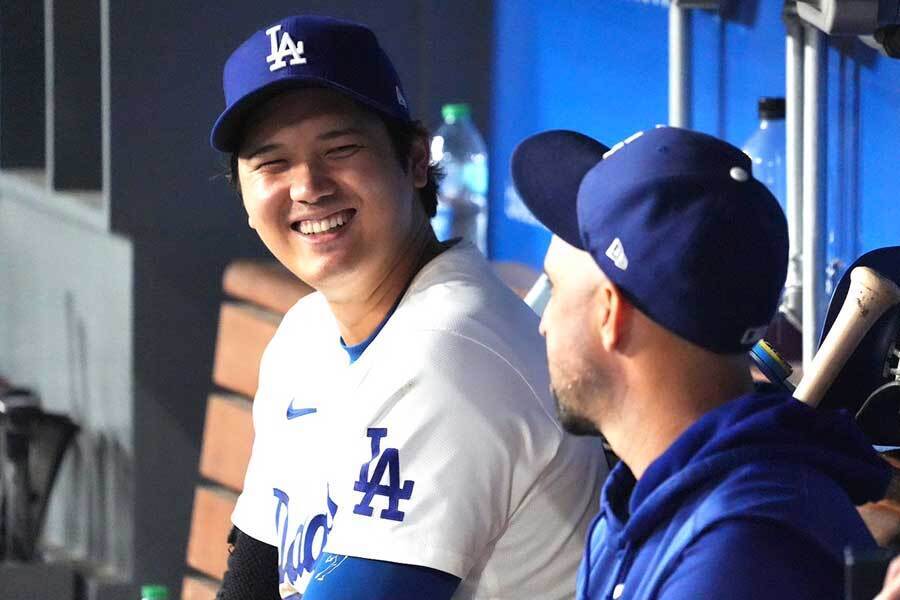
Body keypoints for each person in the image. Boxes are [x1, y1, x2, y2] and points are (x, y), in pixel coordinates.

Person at [208, 15, 606, 600]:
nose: (308, 187)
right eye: (271, 163)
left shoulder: (449, 352)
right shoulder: (306, 334)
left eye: (339, 148)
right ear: (242, 193)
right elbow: (253, 581)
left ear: (417, 159)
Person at [510, 126, 892, 599]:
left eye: (555, 288)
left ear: (609, 314)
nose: (543, 323)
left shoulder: (741, 558)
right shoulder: (643, 498)